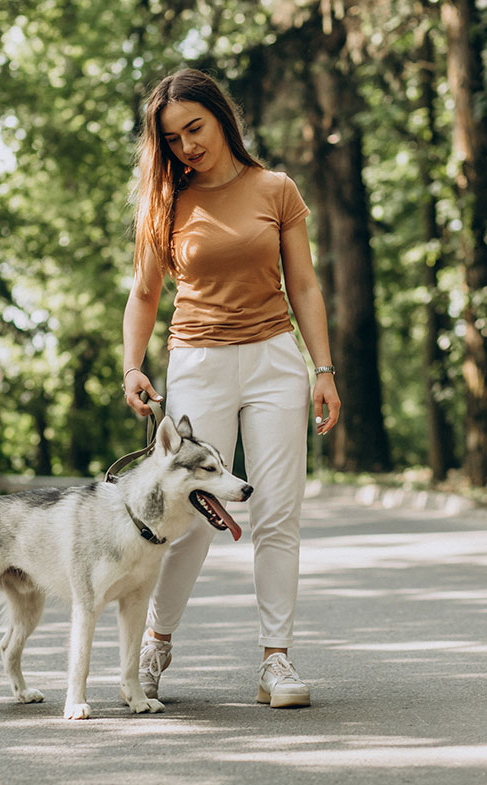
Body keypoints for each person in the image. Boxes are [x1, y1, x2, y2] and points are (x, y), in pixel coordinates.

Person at [121, 68, 341, 708]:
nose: (188, 144)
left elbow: (304, 285)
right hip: (197, 362)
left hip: (276, 360)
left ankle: (277, 661)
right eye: (173, 138)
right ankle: (155, 643)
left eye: (196, 127)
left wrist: (322, 370)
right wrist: (133, 365)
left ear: (221, 118)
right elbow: (143, 294)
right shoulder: (166, 202)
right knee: (187, 514)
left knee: (278, 513)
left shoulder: (276, 188)